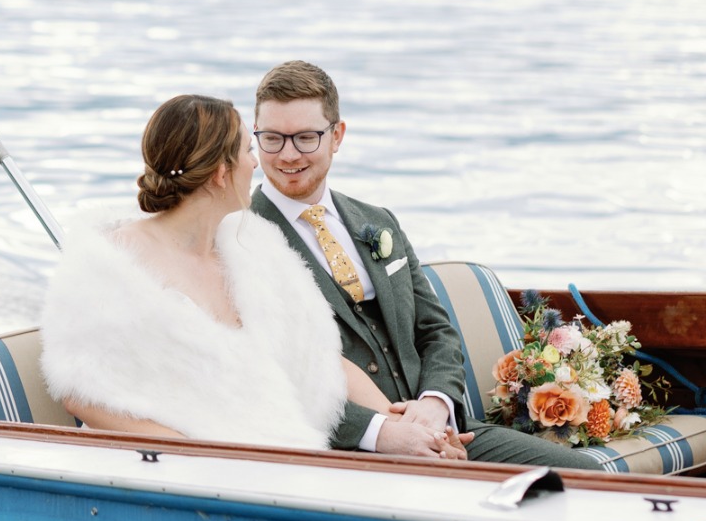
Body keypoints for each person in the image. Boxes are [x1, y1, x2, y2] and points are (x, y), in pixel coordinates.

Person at [40, 93, 468, 456]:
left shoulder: (252, 246)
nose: (257, 164)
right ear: (221, 172)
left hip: (283, 451)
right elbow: (79, 391)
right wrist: (194, 455)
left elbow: (318, 354)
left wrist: (406, 433)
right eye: (248, 150)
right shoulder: (110, 262)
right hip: (182, 468)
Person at [246, 60, 604, 468]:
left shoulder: (377, 221)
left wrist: (436, 403)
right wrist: (383, 433)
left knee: (585, 477)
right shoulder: (242, 237)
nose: (288, 154)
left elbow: (436, 331)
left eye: (306, 137)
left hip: (443, 430)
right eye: (272, 138)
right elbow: (271, 373)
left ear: (337, 135)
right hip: (347, 448)